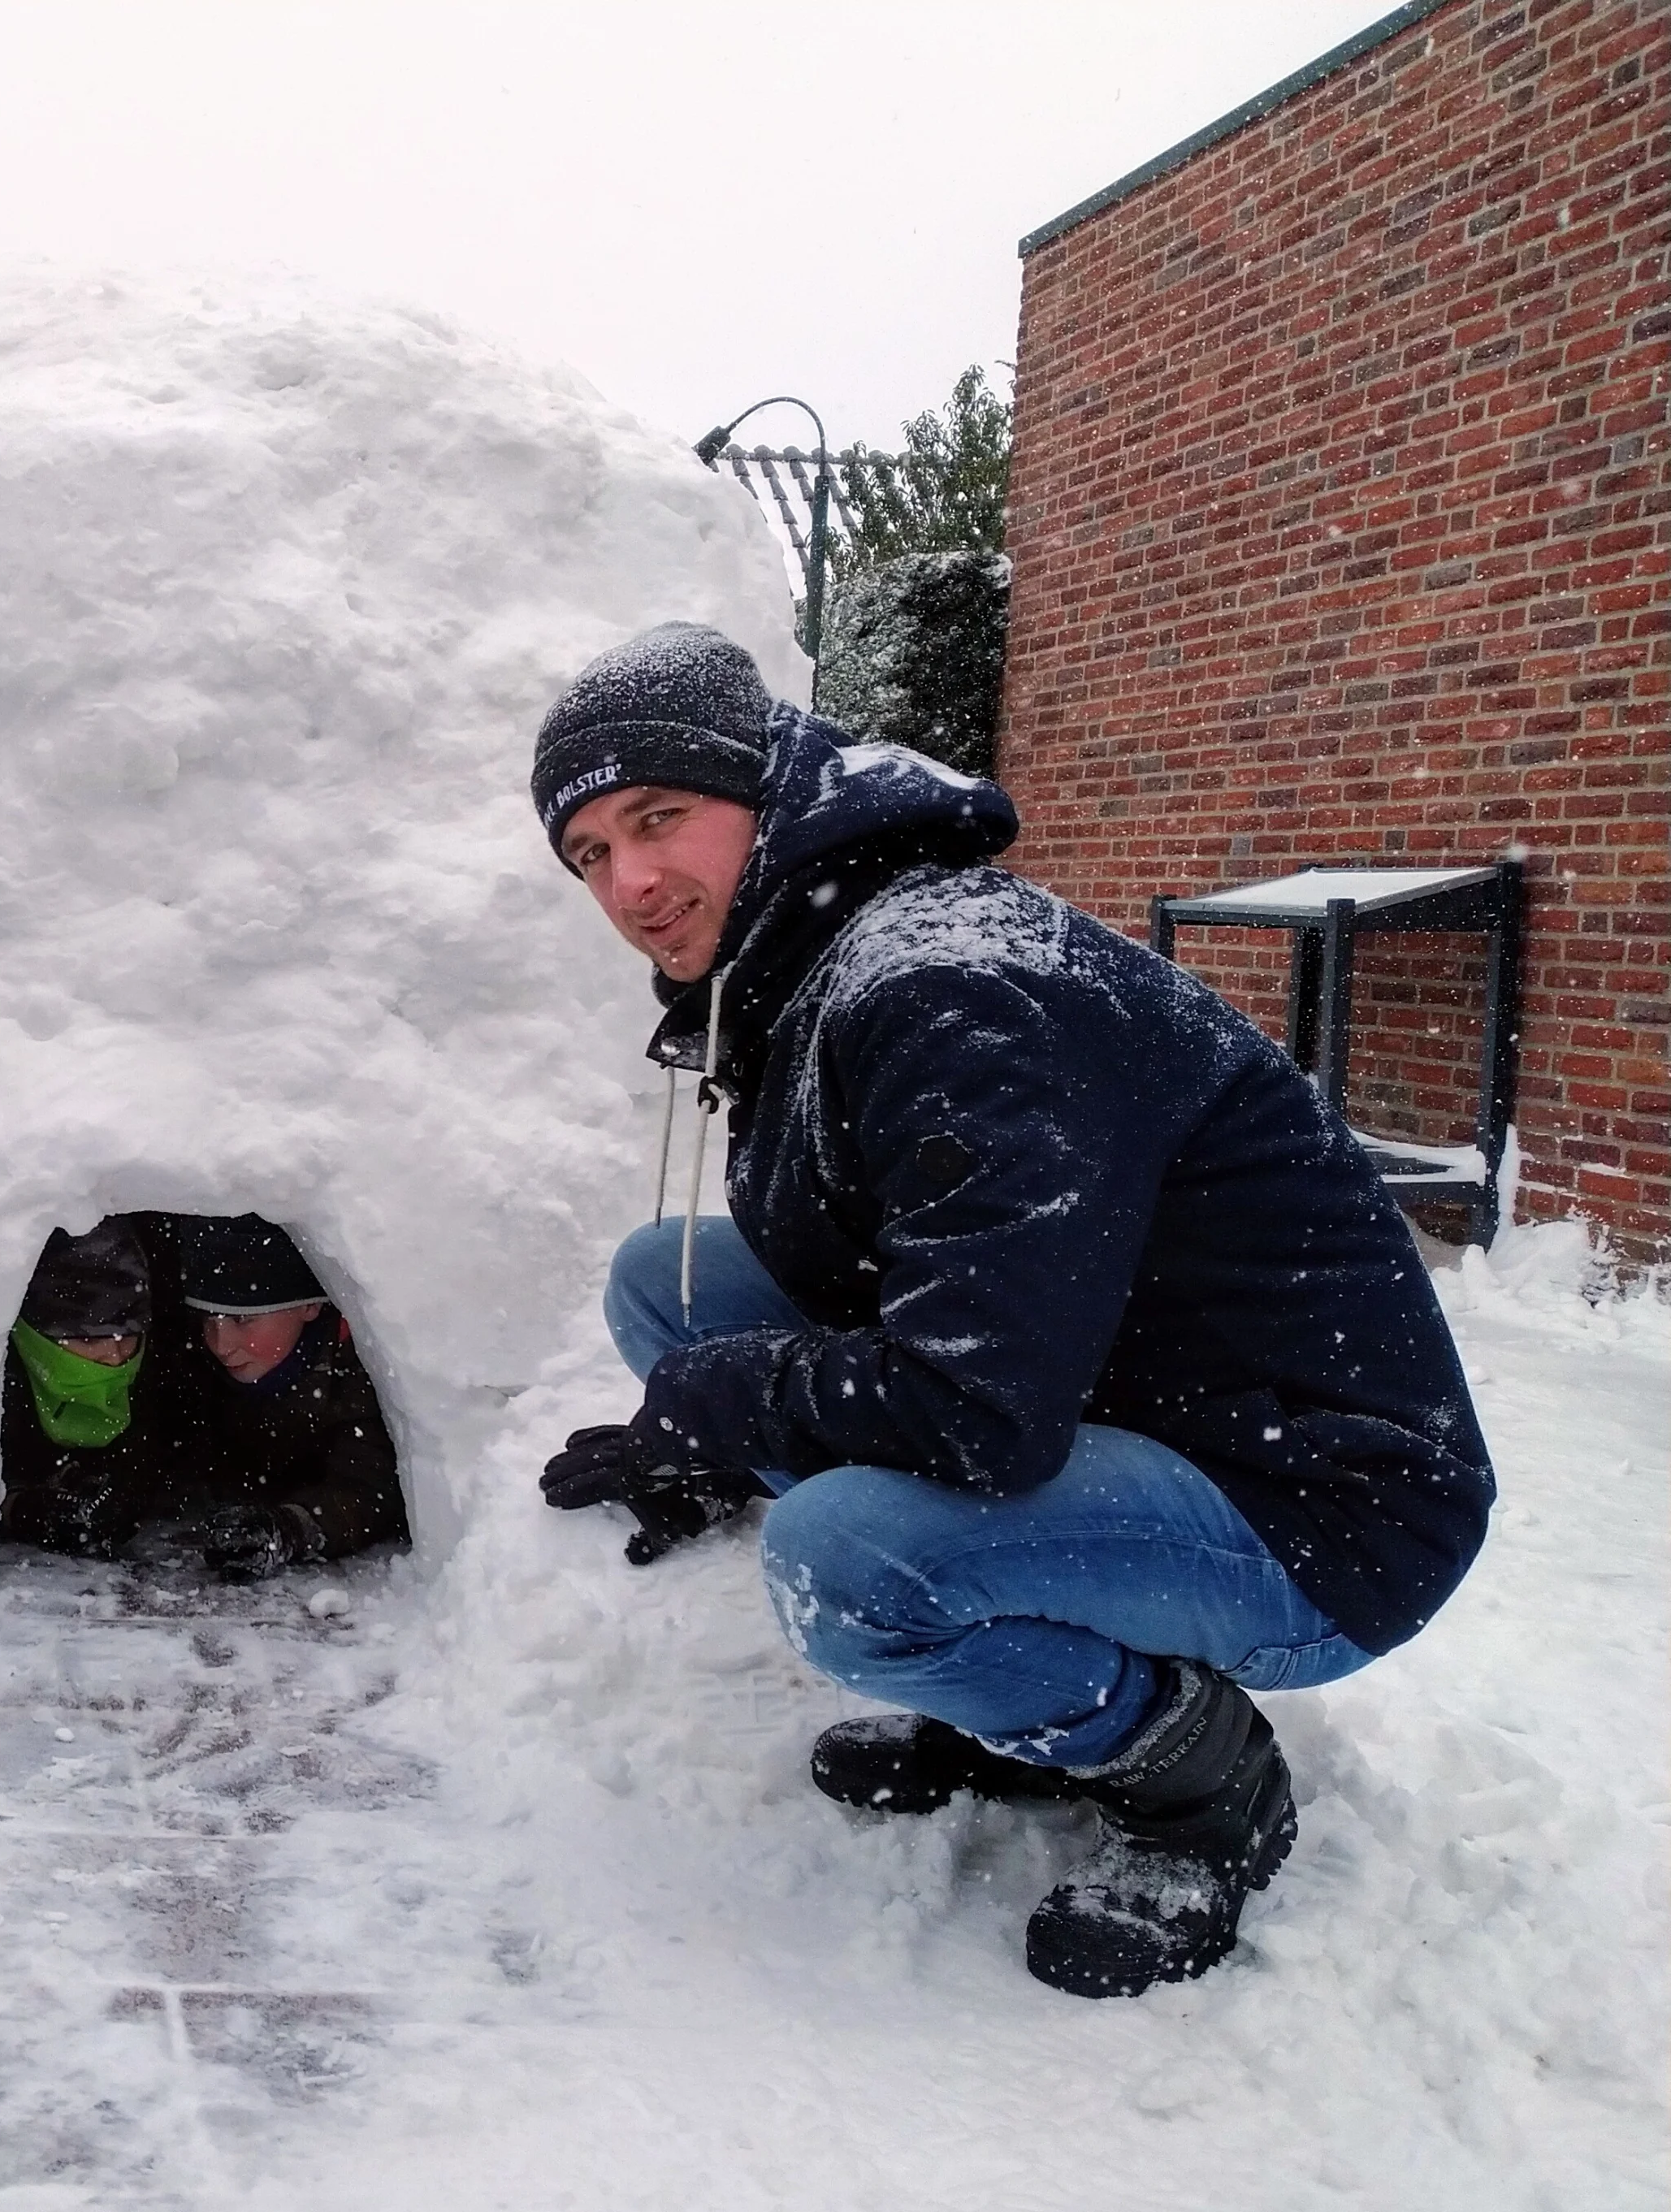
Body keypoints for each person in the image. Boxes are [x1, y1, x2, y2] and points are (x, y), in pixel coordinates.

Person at [528, 621, 1493, 1998]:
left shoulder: (952, 990)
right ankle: (1015, 1674)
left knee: (849, 1561)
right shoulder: (824, 962)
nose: (630, 881)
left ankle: (1193, 1777)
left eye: (658, 817)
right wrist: (706, 1424)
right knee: (665, 1279)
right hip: (1129, 1398)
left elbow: (979, 1409)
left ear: (766, 787)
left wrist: (727, 1406)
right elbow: (909, 1302)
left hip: (1318, 1507)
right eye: (589, 856)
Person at [171, 1214, 412, 1582]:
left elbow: (369, 1491)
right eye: (208, 1320)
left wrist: (292, 1528)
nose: (220, 1344)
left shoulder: (356, 1369)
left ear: (310, 1307)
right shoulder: (195, 1357)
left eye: (243, 1321)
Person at [0, 1215, 216, 1559]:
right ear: (35, 1334)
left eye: (127, 1336)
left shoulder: (171, 1369)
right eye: (86, 1339)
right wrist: (22, 1507)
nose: (113, 1356)